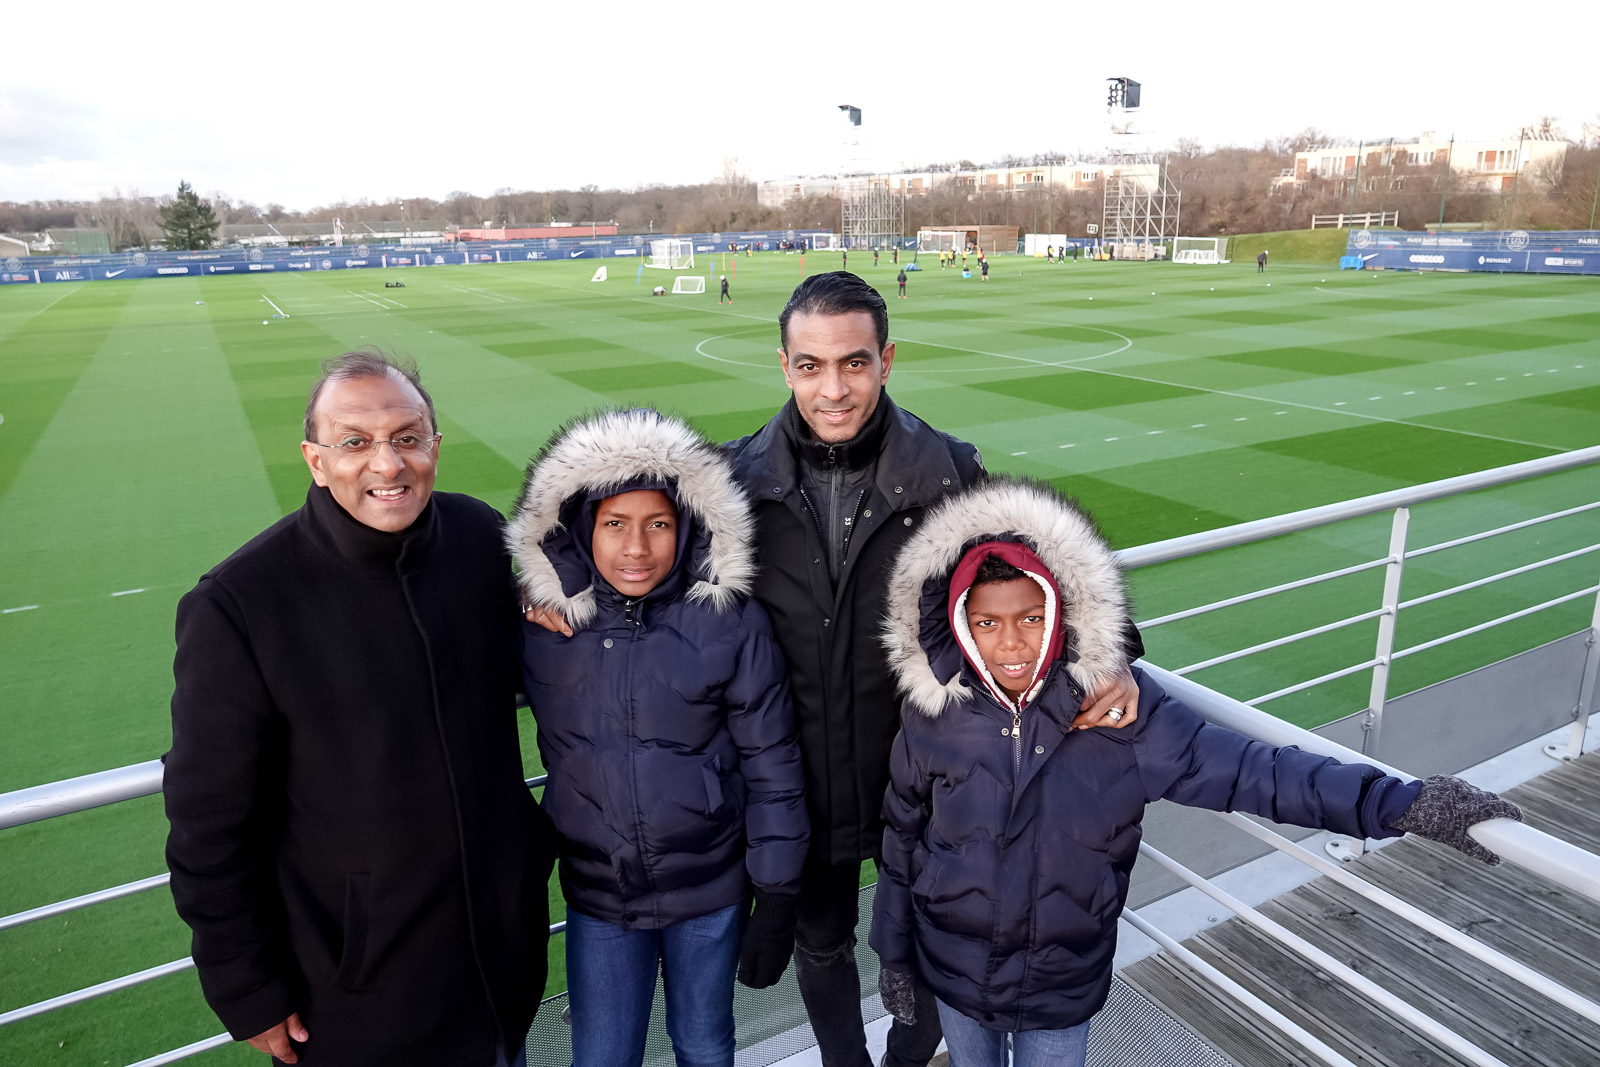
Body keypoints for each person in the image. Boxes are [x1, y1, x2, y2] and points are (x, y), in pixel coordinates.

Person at [869, 477, 1524, 1067]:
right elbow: (902, 838)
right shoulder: (934, 708)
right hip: (952, 973)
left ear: (1062, 611)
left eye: (1032, 617)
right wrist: (894, 955)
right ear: (959, 624)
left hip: (1059, 990)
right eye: (987, 622)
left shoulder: (1125, 710)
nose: (1011, 642)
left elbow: (1258, 772)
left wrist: (1403, 802)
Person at [721, 273, 1144, 1067]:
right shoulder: (735, 481)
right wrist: (549, 596)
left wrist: (1110, 653)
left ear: (886, 360)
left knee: (940, 942)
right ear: (784, 366)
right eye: (811, 366)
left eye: (853, 362)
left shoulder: (947, 470)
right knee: (822, 946)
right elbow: (625, 548)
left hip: (926, 775)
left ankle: (906, 1059)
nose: (833, 387)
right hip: (796, 780)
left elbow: (1052, 558)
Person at [165, 349, 556, 1067]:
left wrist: (541, 595)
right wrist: (245, 983)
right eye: (355, 442)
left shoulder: (477, 539)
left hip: (502, 971)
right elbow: (207, 823)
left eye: (408, 437)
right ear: (316, 460)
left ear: (435, 446)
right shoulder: (241, 605)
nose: (388, 464)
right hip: (358, 1006)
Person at [508, 409, 810, 1067]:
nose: (636, 548)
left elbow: (773, 765)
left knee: (704, 1044)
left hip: (709, 890)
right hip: (597, 895)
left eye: (658, 524)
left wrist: (778, 892)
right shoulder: (543, 625)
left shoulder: (730, 621)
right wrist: (521, 598)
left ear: (688, 527)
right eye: (615, 524)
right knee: (602, 1054)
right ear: (585, 529)